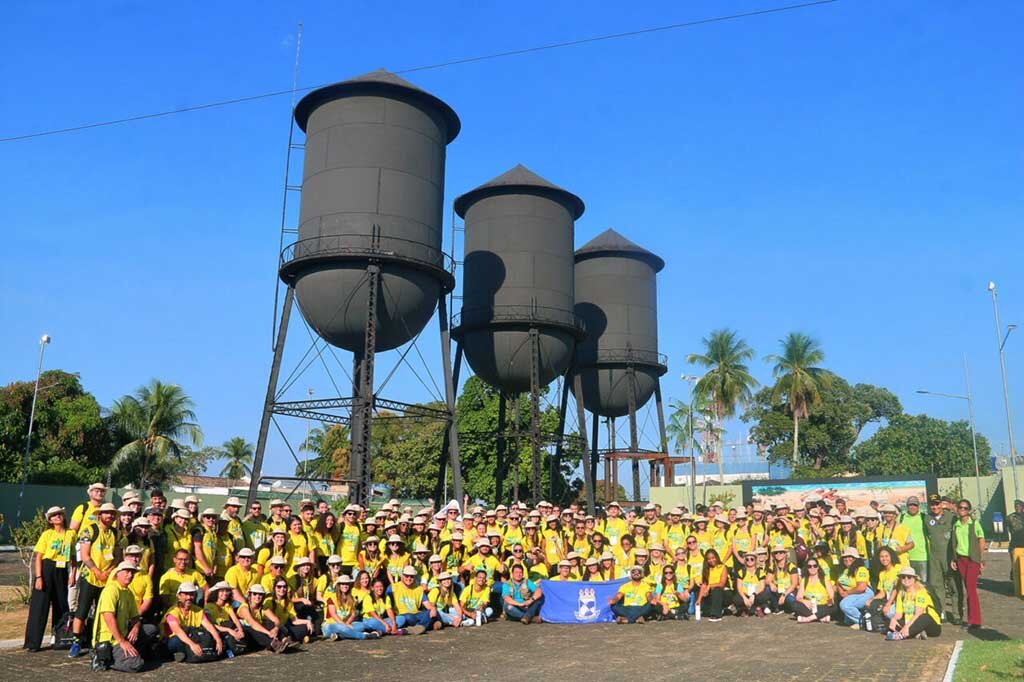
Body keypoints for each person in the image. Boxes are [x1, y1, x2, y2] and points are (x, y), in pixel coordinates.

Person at [69, 501, 119, 658]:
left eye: (112, 514)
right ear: (100, 515)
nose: (110, 516)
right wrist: (97, 571)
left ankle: (98, 641)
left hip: (106, 579)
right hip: (90, 577)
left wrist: (109, 571)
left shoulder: (115, 533)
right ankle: (76, 642)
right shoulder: (89, 530)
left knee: (102, 612)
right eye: (107, 513)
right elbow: (85, 555)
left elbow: (118, 556)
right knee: (82, 610)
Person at [24, 506, 74, 651]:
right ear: (50, 520)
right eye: (54, 515)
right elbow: (38, 557)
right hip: (47, 568)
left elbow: (73, 558)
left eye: (60, 514)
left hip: (62, 570)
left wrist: (73, 574)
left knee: (61, 606)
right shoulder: (47, 534)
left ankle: (60, 639)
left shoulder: (71, 534)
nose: (58, 517)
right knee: (40, 607)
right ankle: (33, 643)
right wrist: (39, 577)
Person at [91, 561, 147, 672]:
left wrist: (135, 628)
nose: (130, 575)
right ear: (117, 574)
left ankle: (126, 653)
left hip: (124, 634)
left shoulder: (128, 592)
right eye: (126, 572)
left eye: (132, 573)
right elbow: (108, 617)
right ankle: (104, 659)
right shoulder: (111, 590)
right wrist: (122, 641)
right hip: (110, 639)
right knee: (136, 664)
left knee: (151, 630)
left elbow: (135, 617)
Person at [161, 582, 223, 662]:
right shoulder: (173, 612)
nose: (189, 597)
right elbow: (178, 631)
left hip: (190, 637)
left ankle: (188, 653)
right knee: (176, 641)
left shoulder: (198, 610)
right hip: (173, 639)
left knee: (207, 636)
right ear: (179, 596)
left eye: (191, 594)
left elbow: (209, 626)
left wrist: (218, 640)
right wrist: (192, 644)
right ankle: (181, 653)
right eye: (186, 594)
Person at [951, 498, 986, 630]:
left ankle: (975, 621)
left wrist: (979, 558)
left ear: (969, 510)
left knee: (971, 589)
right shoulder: (956, 525)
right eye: (960, 507)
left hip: (972, 560)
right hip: (961, 559)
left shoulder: (974, 524)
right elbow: (955, 543)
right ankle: (972, 619)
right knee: (967, 588)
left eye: (965, 508)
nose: (962, 510)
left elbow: (981, 541)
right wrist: (954, 559)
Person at [924, 493, 957, 622]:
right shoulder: (926, 518)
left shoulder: (951, 517)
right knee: (937, 586)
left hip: (949, 557)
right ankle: (941, 612)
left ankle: (956, 614)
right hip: (934, 557)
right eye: (932, 505)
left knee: (953, 585)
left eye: (937, 504)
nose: (935, 507)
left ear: (941, 504)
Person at [886, 566, 941, 640]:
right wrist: (894, 619)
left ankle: (902, 635)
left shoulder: (921, 592)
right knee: (891, 622)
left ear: (914, 579)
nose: (906, 579)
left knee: (925, 617)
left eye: (909, 577)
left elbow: (918, 613)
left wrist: (906, 626)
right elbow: (899, 614)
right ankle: (917, 633)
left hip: (930, 624)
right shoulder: (901, 593)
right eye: (903, 577)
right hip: (911, 621)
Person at [322, 575, 380, 640]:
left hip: (345, 624)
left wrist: (347, 623)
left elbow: (353, 614)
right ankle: (363, 636)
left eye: (347, 584)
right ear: (339, 586)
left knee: (361, 626)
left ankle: (340, 636)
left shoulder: (352, 598)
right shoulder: (332, 597)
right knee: (341, 628)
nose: (345, 586)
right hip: (331, 625)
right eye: (342, 584)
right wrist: (345, 625)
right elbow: (333, 615)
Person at [236, 584, 287, 653]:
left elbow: (276, 620)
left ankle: (284, 640)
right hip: (247, 635)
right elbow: (252, 623)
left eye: (260, 594)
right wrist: (269, 633)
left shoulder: (262, 607)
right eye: (254, 594)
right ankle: (273, 644)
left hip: (259, 635)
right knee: (251, 629)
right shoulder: (244, 608)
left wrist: (275, 629)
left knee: (269, 623)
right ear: (250, 595)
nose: (257, 596)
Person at [204, 581, 245, 658]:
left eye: (227, 591)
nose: (225, 593)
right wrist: (229, 630)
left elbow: (235, 620)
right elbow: (210, 625)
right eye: (222, 591)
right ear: (216, 592)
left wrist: (240, 630)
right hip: (216, 630)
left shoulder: (227, 605)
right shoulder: (209, 606)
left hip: (228, 628)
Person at [835, 547, 873, 627]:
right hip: (852, 594)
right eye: (845, 557)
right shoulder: (844, 571)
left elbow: (861, 587)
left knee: (845, 605)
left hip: (864, 593)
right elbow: (838, 582)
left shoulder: (861, 569)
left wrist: (847, 593)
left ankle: (863, 622)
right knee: (847, 620)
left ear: (856, 559)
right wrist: (841, 591)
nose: (847, 559)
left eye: (850, 557)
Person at [391, 565, 434, 632]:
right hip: (402, 614)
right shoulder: (393, 587)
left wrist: (433, 609)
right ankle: (425, 625)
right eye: (406, 576)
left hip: (416, 613)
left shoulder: (419, 588)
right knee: (408, 617)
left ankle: (418, 627)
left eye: (411, 576)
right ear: (402, 576)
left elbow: (427, 604)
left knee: (430, 613)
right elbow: (387, 605)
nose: (409, 578)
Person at [792, 557, 834, 623]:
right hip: (810, 607)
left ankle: (809, 618)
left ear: (818, 567)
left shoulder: (824, 579)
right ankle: (820, 617)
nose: (812, 568)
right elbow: (798, 597)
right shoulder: (804, 580)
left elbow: (831, 595)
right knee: (795, 605)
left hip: (823, 606)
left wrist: (829, 603)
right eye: (809, 566)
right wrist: (805, 601)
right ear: (807, 568)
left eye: (815, 566)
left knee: (833, 604)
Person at [734, 551, 769, 617]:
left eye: (752, 559)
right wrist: (744, 598)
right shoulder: (741, 572)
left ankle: (757, 608)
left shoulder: (760, 572)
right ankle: (746, 609)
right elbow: (739, 587)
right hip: (745, 594)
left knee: (764, 596)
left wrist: (754, 595)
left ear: (755, 560)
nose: (749, 561)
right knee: (737, 599)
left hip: (756, 594)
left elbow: (762, 587)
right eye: (747, 559)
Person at [697, 549, 728, 622]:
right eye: (709, 559)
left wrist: (710, 586)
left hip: (722, 592)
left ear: (716, 557)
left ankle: (717, 615)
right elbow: (704, 584)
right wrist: (699, 600)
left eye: (713, 558)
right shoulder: (707, 569)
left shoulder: (722, 567)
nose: (711, 560)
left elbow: (722, 584)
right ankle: (723, 609)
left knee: (716, 590)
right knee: (704, 611)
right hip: (710, 593)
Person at [901, 496, 928, 580]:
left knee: (923, 583)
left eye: (915, 505)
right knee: (907, 583)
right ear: (907, 506)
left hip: (922, 556)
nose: (912, 507)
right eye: (910, 505)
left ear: (918, 506)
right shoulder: (901, 518)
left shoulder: (924, 517)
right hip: (906, 557)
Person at [1006, 499, 1024, 594]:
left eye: (1019, 506)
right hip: (1015, 546)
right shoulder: (1010, 517)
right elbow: (1008, 529)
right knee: (1015, 566)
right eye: (1016, 506)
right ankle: (1015, 585)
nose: (1017, 508)